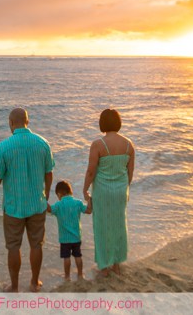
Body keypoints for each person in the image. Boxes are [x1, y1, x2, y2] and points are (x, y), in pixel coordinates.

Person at [0, 108, 55, 292]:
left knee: (13, 247)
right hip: (37, 204)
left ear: (10, 123)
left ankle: (15, 287)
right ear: (27, 121)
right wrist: (47, 193)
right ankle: (34, 282)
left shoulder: (4, 147)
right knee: (36, 245)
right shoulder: (43, 143)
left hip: (13, 207)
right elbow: (49, 173)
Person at [83, 108, 135, 276]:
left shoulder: (98, 144)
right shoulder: (128, 145)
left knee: (102, 227)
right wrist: (124, 188)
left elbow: (91, 171)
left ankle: (104, 266)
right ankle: (116, 265)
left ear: (102, 123)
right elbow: (130, 173)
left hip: (103, 192)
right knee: (118, 226)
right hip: (120, 191)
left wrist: (85, 190)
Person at [47, 180, 92, 280]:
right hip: (76, 237)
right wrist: (89, 199)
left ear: (59, 194)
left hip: (64, 239)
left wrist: (43, 200)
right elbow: (89, 210)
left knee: (66, 257)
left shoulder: (58, 205)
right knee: (78, 256)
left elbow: (49, 209)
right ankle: (80, 274)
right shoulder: (77, 203)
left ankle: (67, 276)